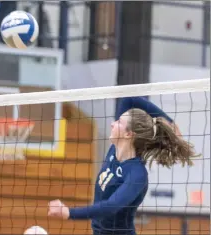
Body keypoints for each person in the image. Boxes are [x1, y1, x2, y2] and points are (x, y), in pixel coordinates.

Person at [48, 96, 199, 235]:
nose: (113, 123)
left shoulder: (136, 174)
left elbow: (112, 206)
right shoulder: (114, 150)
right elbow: (129, 99)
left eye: (119, 122)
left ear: (128, 134)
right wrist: (170, 122)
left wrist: (69, 212)